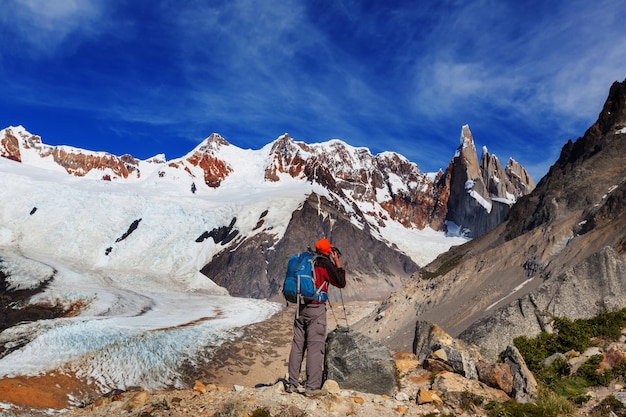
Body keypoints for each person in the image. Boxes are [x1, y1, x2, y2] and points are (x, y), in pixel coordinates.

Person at [287, 237, 346, 396]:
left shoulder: (307, 259)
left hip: (301, 307)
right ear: (329, 251)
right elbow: (340, 282)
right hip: (316, 309)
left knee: (297, 345)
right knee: (315, 346)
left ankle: (291, 384)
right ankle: (312, 387)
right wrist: (337, 261)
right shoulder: (324, 263)